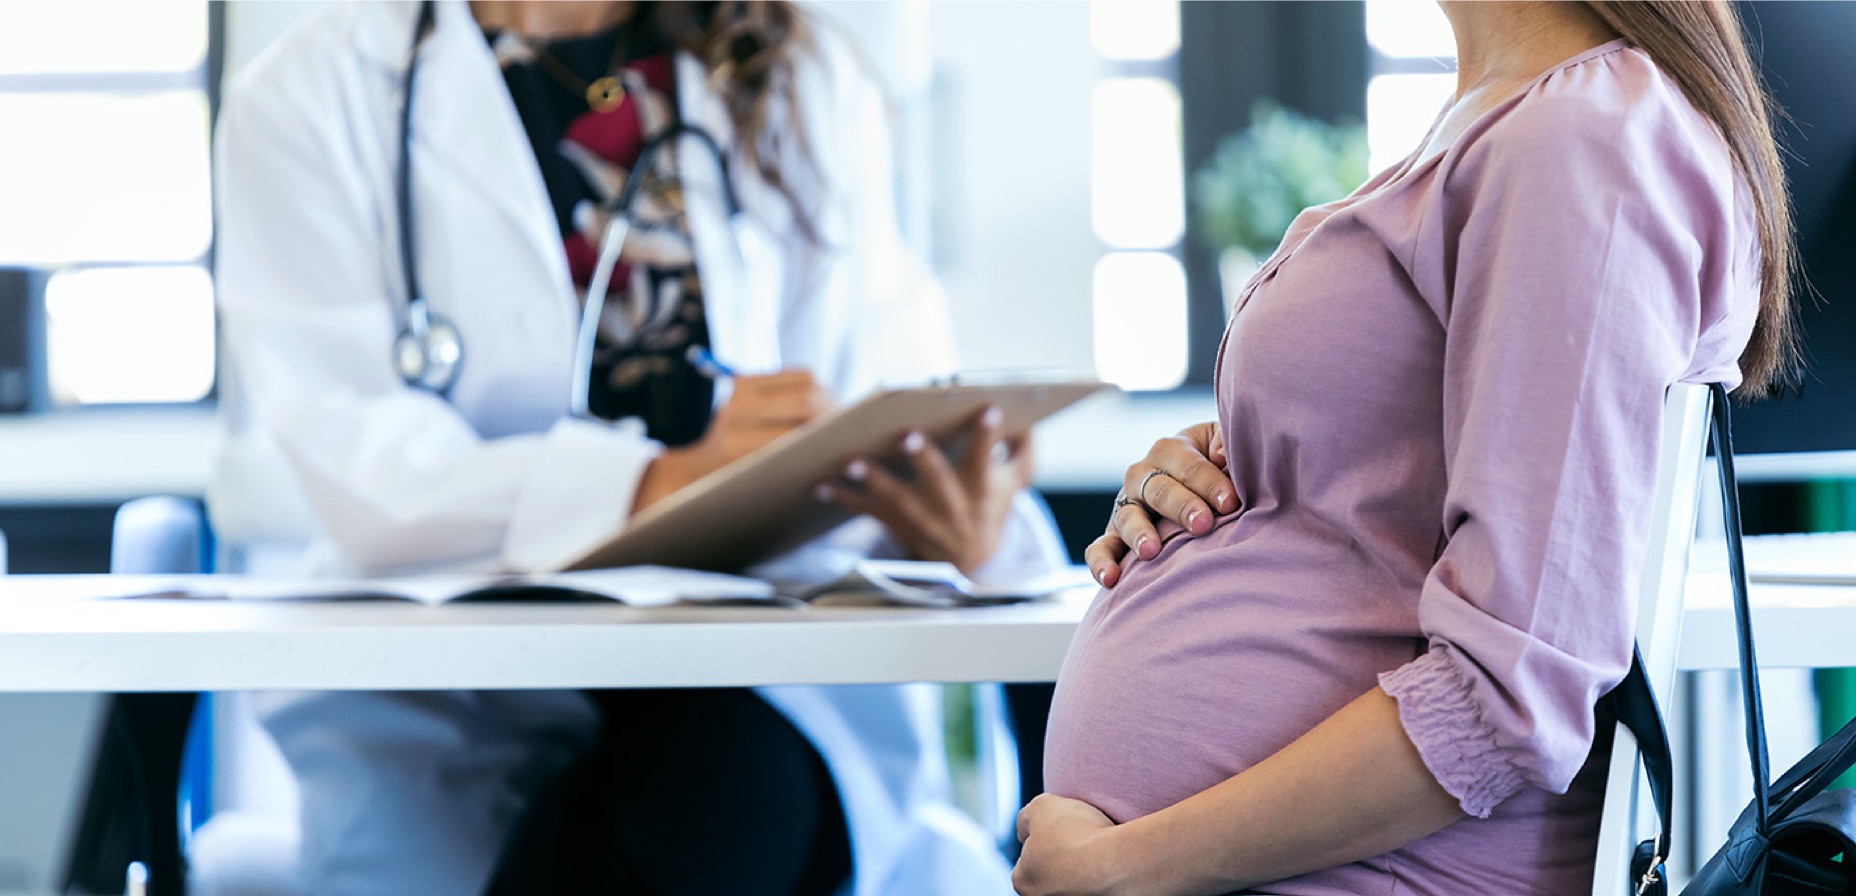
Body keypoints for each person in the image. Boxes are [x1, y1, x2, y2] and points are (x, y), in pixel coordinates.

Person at [209, 1, 1065, 894]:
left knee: (728, 781)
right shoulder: (310, 95)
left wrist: (953, 516)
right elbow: (363, 462)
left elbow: (885, 380)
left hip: (759, 688)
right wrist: (660, 481)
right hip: (459, 694)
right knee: (721, 799)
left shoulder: (799, 76)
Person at [1013, 2, 1796, 894]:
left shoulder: (1582, 142)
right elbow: (1387, 496)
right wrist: (1221, 485)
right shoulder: (1513, 118)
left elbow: (1508, 696)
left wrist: (1124, 869)